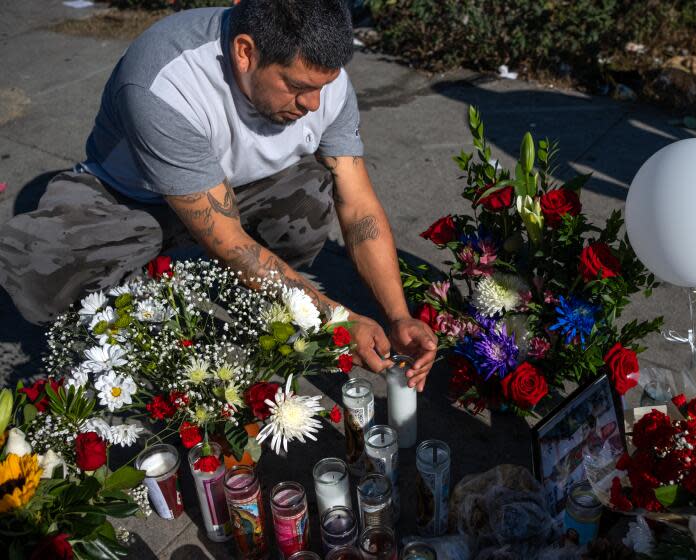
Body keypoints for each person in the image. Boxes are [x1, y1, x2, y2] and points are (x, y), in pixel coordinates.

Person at [0, 0, 437, 389]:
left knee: (311, 196)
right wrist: (339, 320)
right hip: (131, 198)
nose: (314, 105)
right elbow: (229, 241)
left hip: (236, 189)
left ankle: (259, 296)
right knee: (42, 267)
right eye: (298, 87)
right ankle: (129, 300)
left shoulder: (325, 84)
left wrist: (399, 316)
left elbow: (358, 205)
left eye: (322, 86)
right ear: (245, 52)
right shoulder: (166, 81)